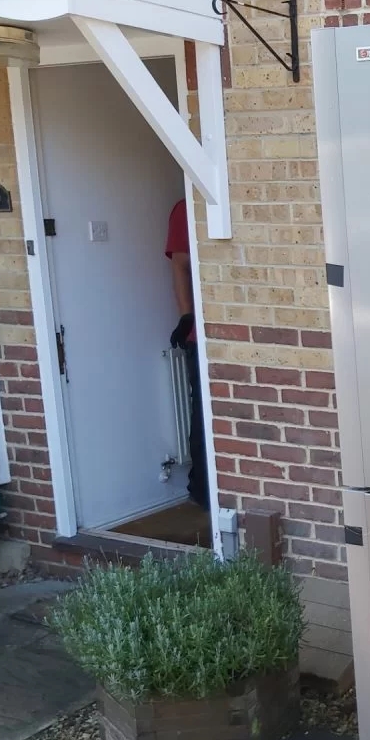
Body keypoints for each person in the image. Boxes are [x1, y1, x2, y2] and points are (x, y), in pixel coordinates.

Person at [165, 199, 208, 510]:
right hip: (199, 335)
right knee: (202, 413)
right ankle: (203, 489)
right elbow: (180, 263)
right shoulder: (185, 208)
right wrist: (186, 317)